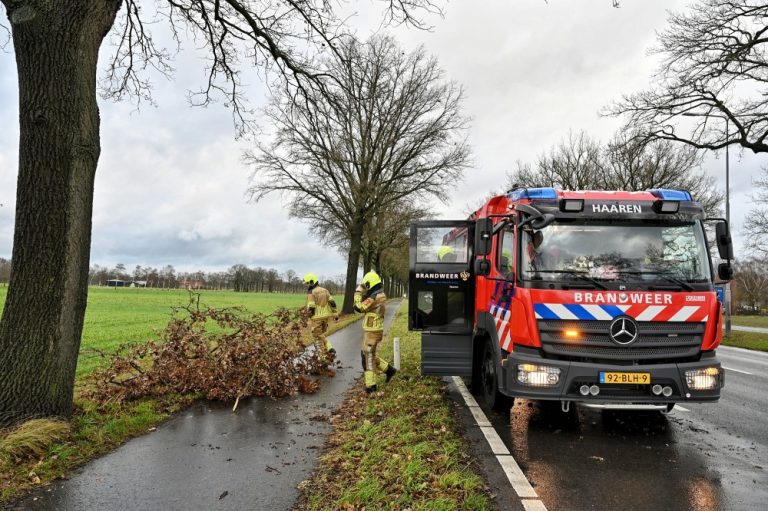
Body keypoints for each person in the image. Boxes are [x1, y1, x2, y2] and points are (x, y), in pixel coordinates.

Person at [354, 271, 396, 394]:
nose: (365, 288)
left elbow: (358, 308)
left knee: (367, 358)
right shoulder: (379, 294)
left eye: (366, 286)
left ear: (370, 284)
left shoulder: (375, 297)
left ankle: (371, 386)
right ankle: (389, 370)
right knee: (367, 355)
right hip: (372, 330)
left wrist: (358, 293)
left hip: (372, 332)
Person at [303, 273, 338, 356]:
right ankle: (328, 350)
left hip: (316, 318)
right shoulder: (325, 290)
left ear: (312, 282)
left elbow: (311, 307)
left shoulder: (311, 292)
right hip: (325, 317)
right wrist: (335, 315)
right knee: (320, 335)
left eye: (307, 283)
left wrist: (306, 317)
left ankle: (323, 355)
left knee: (317, 336)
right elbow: (332, 303)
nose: (307, 285)